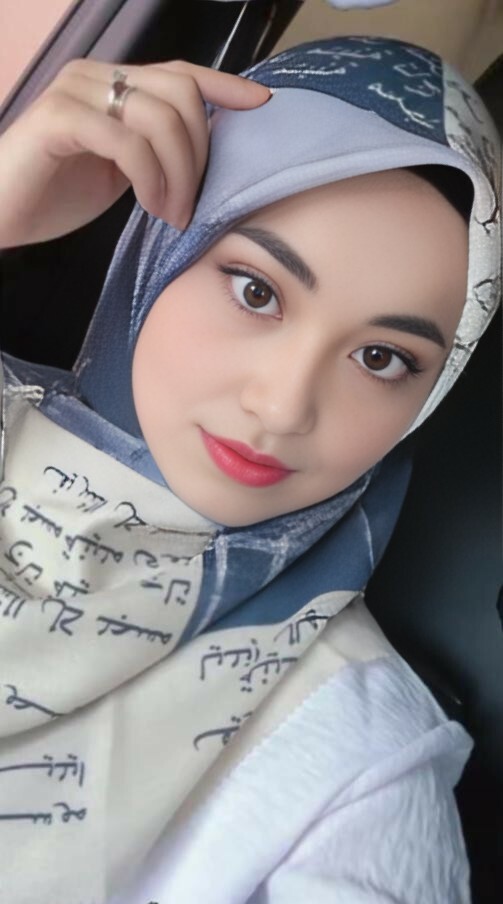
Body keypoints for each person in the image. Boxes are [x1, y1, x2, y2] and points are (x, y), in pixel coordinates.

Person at [0, 35, 500, 904]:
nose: (282, 406)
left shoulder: (358, 759)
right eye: (256, 290)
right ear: (158, 252)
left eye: (381, 358)